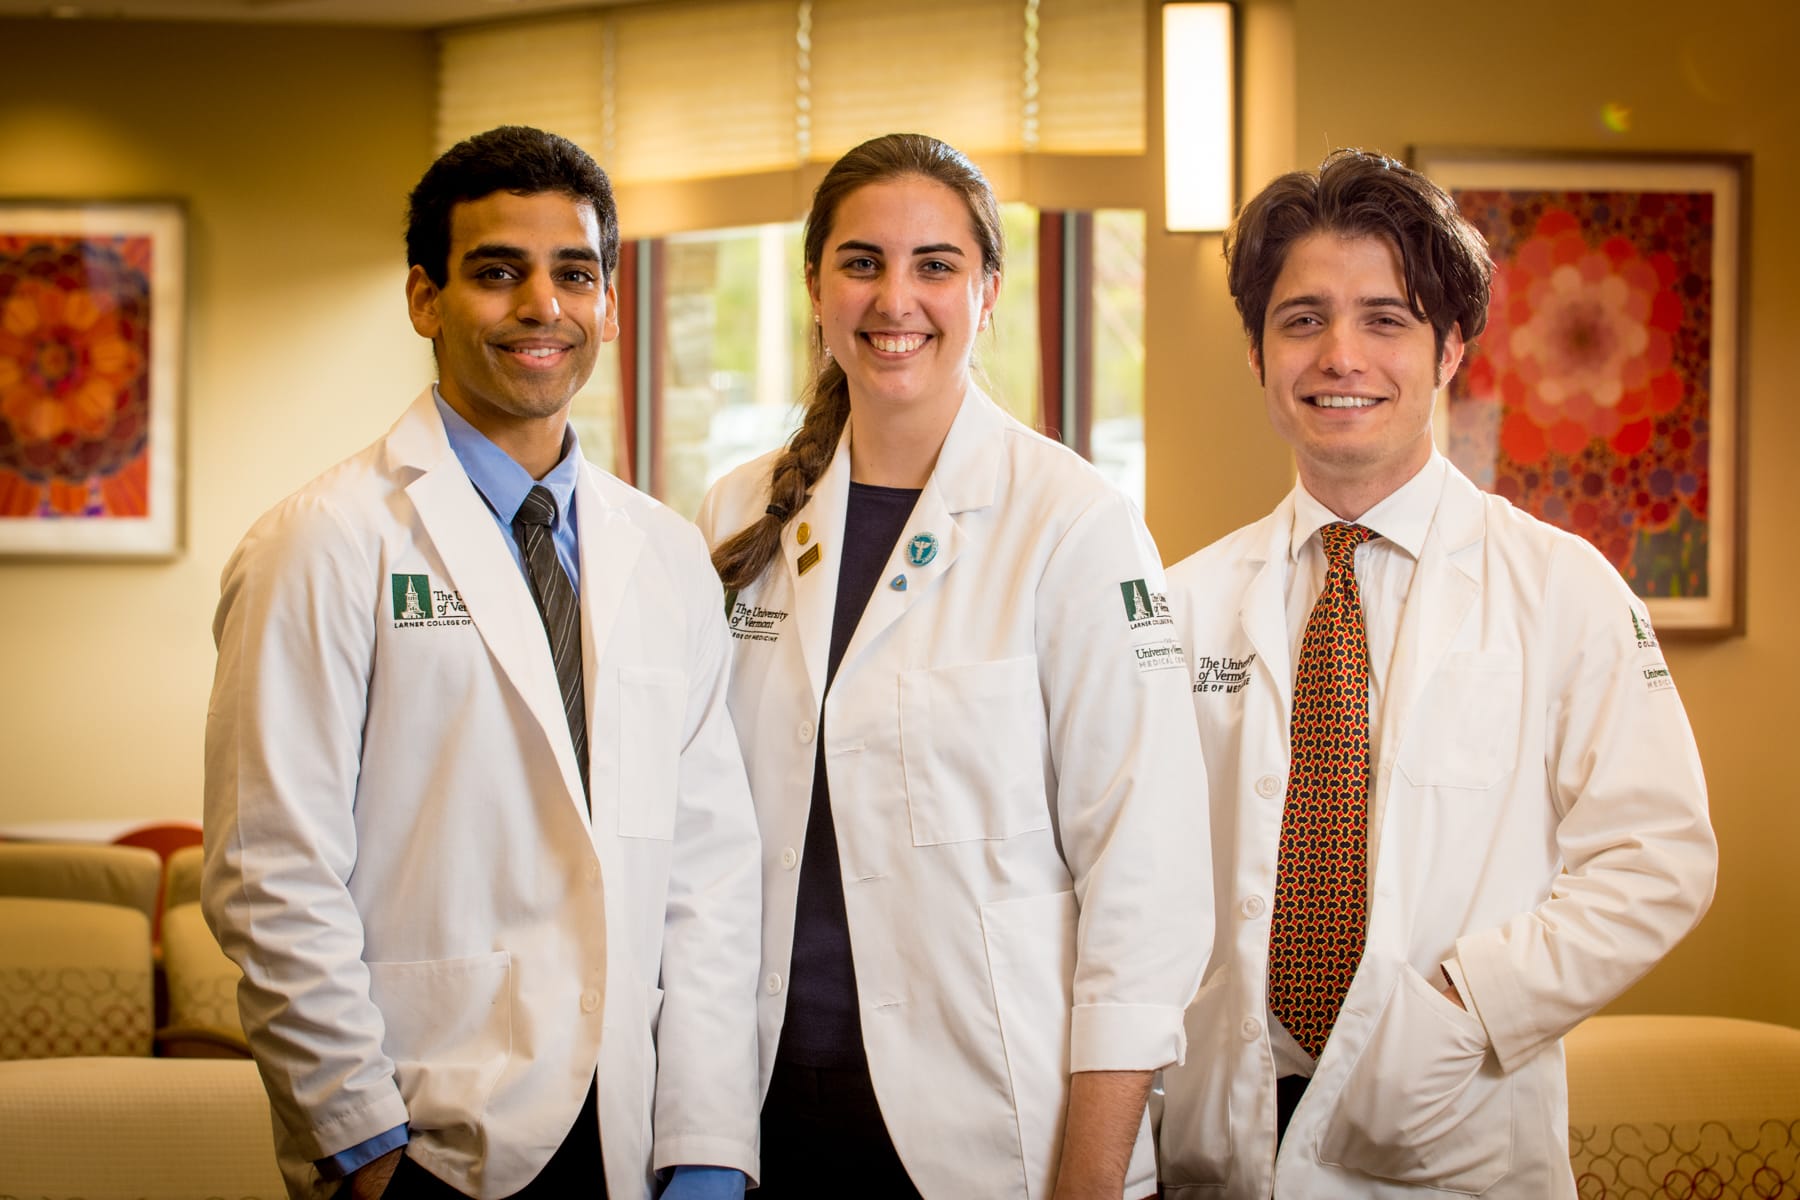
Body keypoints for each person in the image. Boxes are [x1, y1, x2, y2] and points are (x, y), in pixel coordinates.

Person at [202, 126, 761, 1200]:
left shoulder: (666, 553)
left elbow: (709, 873)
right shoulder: (319, 543)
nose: (541, 306)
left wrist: (709, 1143)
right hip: (434, 1135)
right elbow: (271, 877)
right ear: (425, 299)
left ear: (608, 302)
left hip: (637, 1140)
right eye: (498, 272)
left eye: (574, 275)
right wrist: (365, 1148)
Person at [1154, 148, 1718, 1198]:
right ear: (1257, 353)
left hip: (1451, 1130)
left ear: (1451, 347)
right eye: (1303, 318)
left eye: (1386, 319)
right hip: (1221, 1130)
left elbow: (1661, 858)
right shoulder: (1181, 607)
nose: (1341, 356)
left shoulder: (1564, 589)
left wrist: (1467, 1005)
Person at [693, 132, 1211, 1200]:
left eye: (935, 264)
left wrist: (1091, 1180)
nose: (897, 299)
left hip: (994, 1127)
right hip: (760, 1108)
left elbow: (1144, 883)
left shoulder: (1075, 523)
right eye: (861, 261)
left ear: (988, 291)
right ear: (815, 287)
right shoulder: (738, 512)